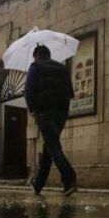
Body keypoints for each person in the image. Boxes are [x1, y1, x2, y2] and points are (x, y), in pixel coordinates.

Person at [24, 45, 78, 196]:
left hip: (44, 112)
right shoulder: (62, 68)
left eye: (34, 57)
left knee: (54, 147)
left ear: (36, 55)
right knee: (49, 147)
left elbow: (28, 90)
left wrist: (33, 109)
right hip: (61, 113)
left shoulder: (35, 67)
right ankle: (38, 185)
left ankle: (70, 178)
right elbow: (71, 93)